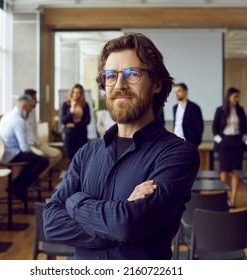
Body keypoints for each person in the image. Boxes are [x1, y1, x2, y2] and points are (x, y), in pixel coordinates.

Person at [43, 33, 200, 260]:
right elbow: (51, 223)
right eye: (110, 76)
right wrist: (117, 218)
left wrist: (74, 201)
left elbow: (128, 226)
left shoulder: (178, 155)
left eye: (132, 74)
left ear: (156, 83)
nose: (119, 85)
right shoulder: (86, 154)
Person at [0, 95, 49, 201]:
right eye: (30, 107)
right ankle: (16, 187)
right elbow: (24, 148)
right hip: (12, 153)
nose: (31, 110)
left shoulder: (7, 116)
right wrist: (35, 154)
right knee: (43, 161)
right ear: (24, 106)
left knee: (33, 162)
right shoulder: (18, 120)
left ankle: (17, 187)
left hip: (4, 151)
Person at [212, 87, 247, 208]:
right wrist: (221, 141)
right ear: (228, 97)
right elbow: (214, 129)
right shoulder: (220, 110)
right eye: (234, 97)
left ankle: (233, 199)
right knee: (224, 171)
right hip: (224, 143)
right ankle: (224, 199)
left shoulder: (240, 110)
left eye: (238, 97)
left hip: (237, 142)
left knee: (236, 171)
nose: (237, 99)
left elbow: (245, 128)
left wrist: (242, 139)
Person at [24, 88, 62, 177]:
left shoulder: (33, 111)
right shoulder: (20, 114)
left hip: (37, 143)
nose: (37, 101)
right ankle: (33, 179)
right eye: (34, 98)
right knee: (41, 157)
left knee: (57, 154)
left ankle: (38, 176)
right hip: (28, 145)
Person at [60, 83, 91, 160]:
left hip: (81, 134)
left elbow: (87, 120)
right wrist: (72, 111)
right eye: (74, 92)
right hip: (69, 135)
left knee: (82, 158)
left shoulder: (85, 105)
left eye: (79, 93)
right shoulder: (66, 104)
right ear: (72, 93)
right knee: (70, 159)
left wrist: (75, 125)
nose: (76, 95)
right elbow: (63, 120)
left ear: (81, 94)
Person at [172, 82, 204, 147]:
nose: (176, 94)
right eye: (175, 92)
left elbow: (199, 126)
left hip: (189, 142)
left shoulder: (194, 107)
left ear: (185, 92)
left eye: (179, 91)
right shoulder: (175, 107)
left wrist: (196, 142)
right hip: (176, 141)